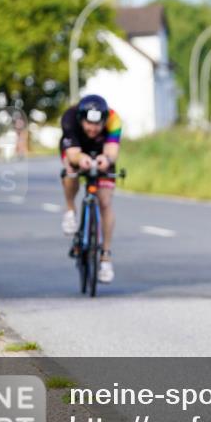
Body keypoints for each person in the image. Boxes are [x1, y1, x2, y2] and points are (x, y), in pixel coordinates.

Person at [59, 94, 121, 283]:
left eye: (97, 125)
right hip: (76, 150)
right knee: (70, 169)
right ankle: (70, 209)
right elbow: (73, 153)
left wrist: (107, 159)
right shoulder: (69, 117)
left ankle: (105, 257)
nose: (93, 129)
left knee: (105, 201)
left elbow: (112, 150)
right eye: (88, 124)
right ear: (80, 119)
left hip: (101, 152)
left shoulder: (114, 119)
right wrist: (81, 160)